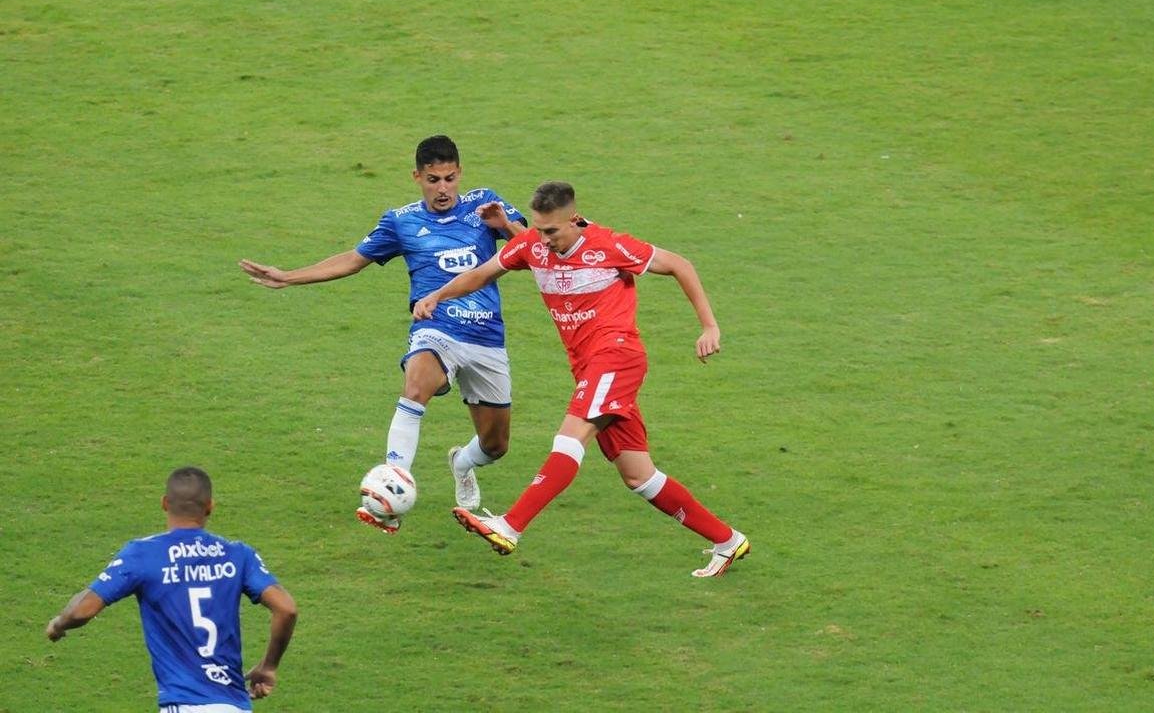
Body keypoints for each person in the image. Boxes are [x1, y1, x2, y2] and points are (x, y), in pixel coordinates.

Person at [414, 181, 750, 578]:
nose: (544, 239)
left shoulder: (609, 246)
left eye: (552, 231)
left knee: (569, 438)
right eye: (538, 229)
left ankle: (510, 526)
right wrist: (437, 296)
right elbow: (481, 275)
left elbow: (680, 264)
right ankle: (728, 541)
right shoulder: (533, 246)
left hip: (617, 357)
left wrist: (709, 326)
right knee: (638, 475)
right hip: (589, 368)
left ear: (574, 219)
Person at [239, 135, 527, 533]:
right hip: (435, 328)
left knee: (495, 445)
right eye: (433, 180)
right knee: (416, 385)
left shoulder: (485, 204)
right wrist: (289, 277)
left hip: (486, 337)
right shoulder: (401, 221)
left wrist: (505, 225)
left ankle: (462, 462)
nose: (442, 188)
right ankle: (390, 492)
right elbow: (352, 260)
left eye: (449, 178)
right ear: (417, 177)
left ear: (459, 173)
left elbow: (533, 249)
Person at [45, 467, 298, 712]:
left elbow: (82, 610)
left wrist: (58, 624)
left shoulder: (143, 554)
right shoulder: (238, 554)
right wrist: (268, 666)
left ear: (165, 503)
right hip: (234, 704)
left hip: (186, 703)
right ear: (210, 506)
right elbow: (286, 609)